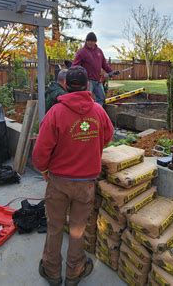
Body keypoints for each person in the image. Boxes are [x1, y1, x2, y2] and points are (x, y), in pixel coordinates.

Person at [33, 66, 114, 286]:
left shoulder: (56, 113)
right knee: (78, 230)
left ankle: (51, 271)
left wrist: (43, 169)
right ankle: (74, 272)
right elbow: (108, 136)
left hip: (58, 182)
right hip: (86, 183)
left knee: (55, 226)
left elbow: (40, 152)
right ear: (88, 85)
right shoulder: (98, 111)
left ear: (66, 85)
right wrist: (91, 147)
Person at [73, 32, 119, 105]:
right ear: (86, 41)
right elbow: (74, 66)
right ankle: (87, 115)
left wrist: (111, 72)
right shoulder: (81, 52)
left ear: (95, 42)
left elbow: (104, 64)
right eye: (89, 41)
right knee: (87, 99)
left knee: (101, 98)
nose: (91, 42)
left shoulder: (99, 51)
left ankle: (98, 113)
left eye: (93, 41)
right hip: (87, 81)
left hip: (98, 80)